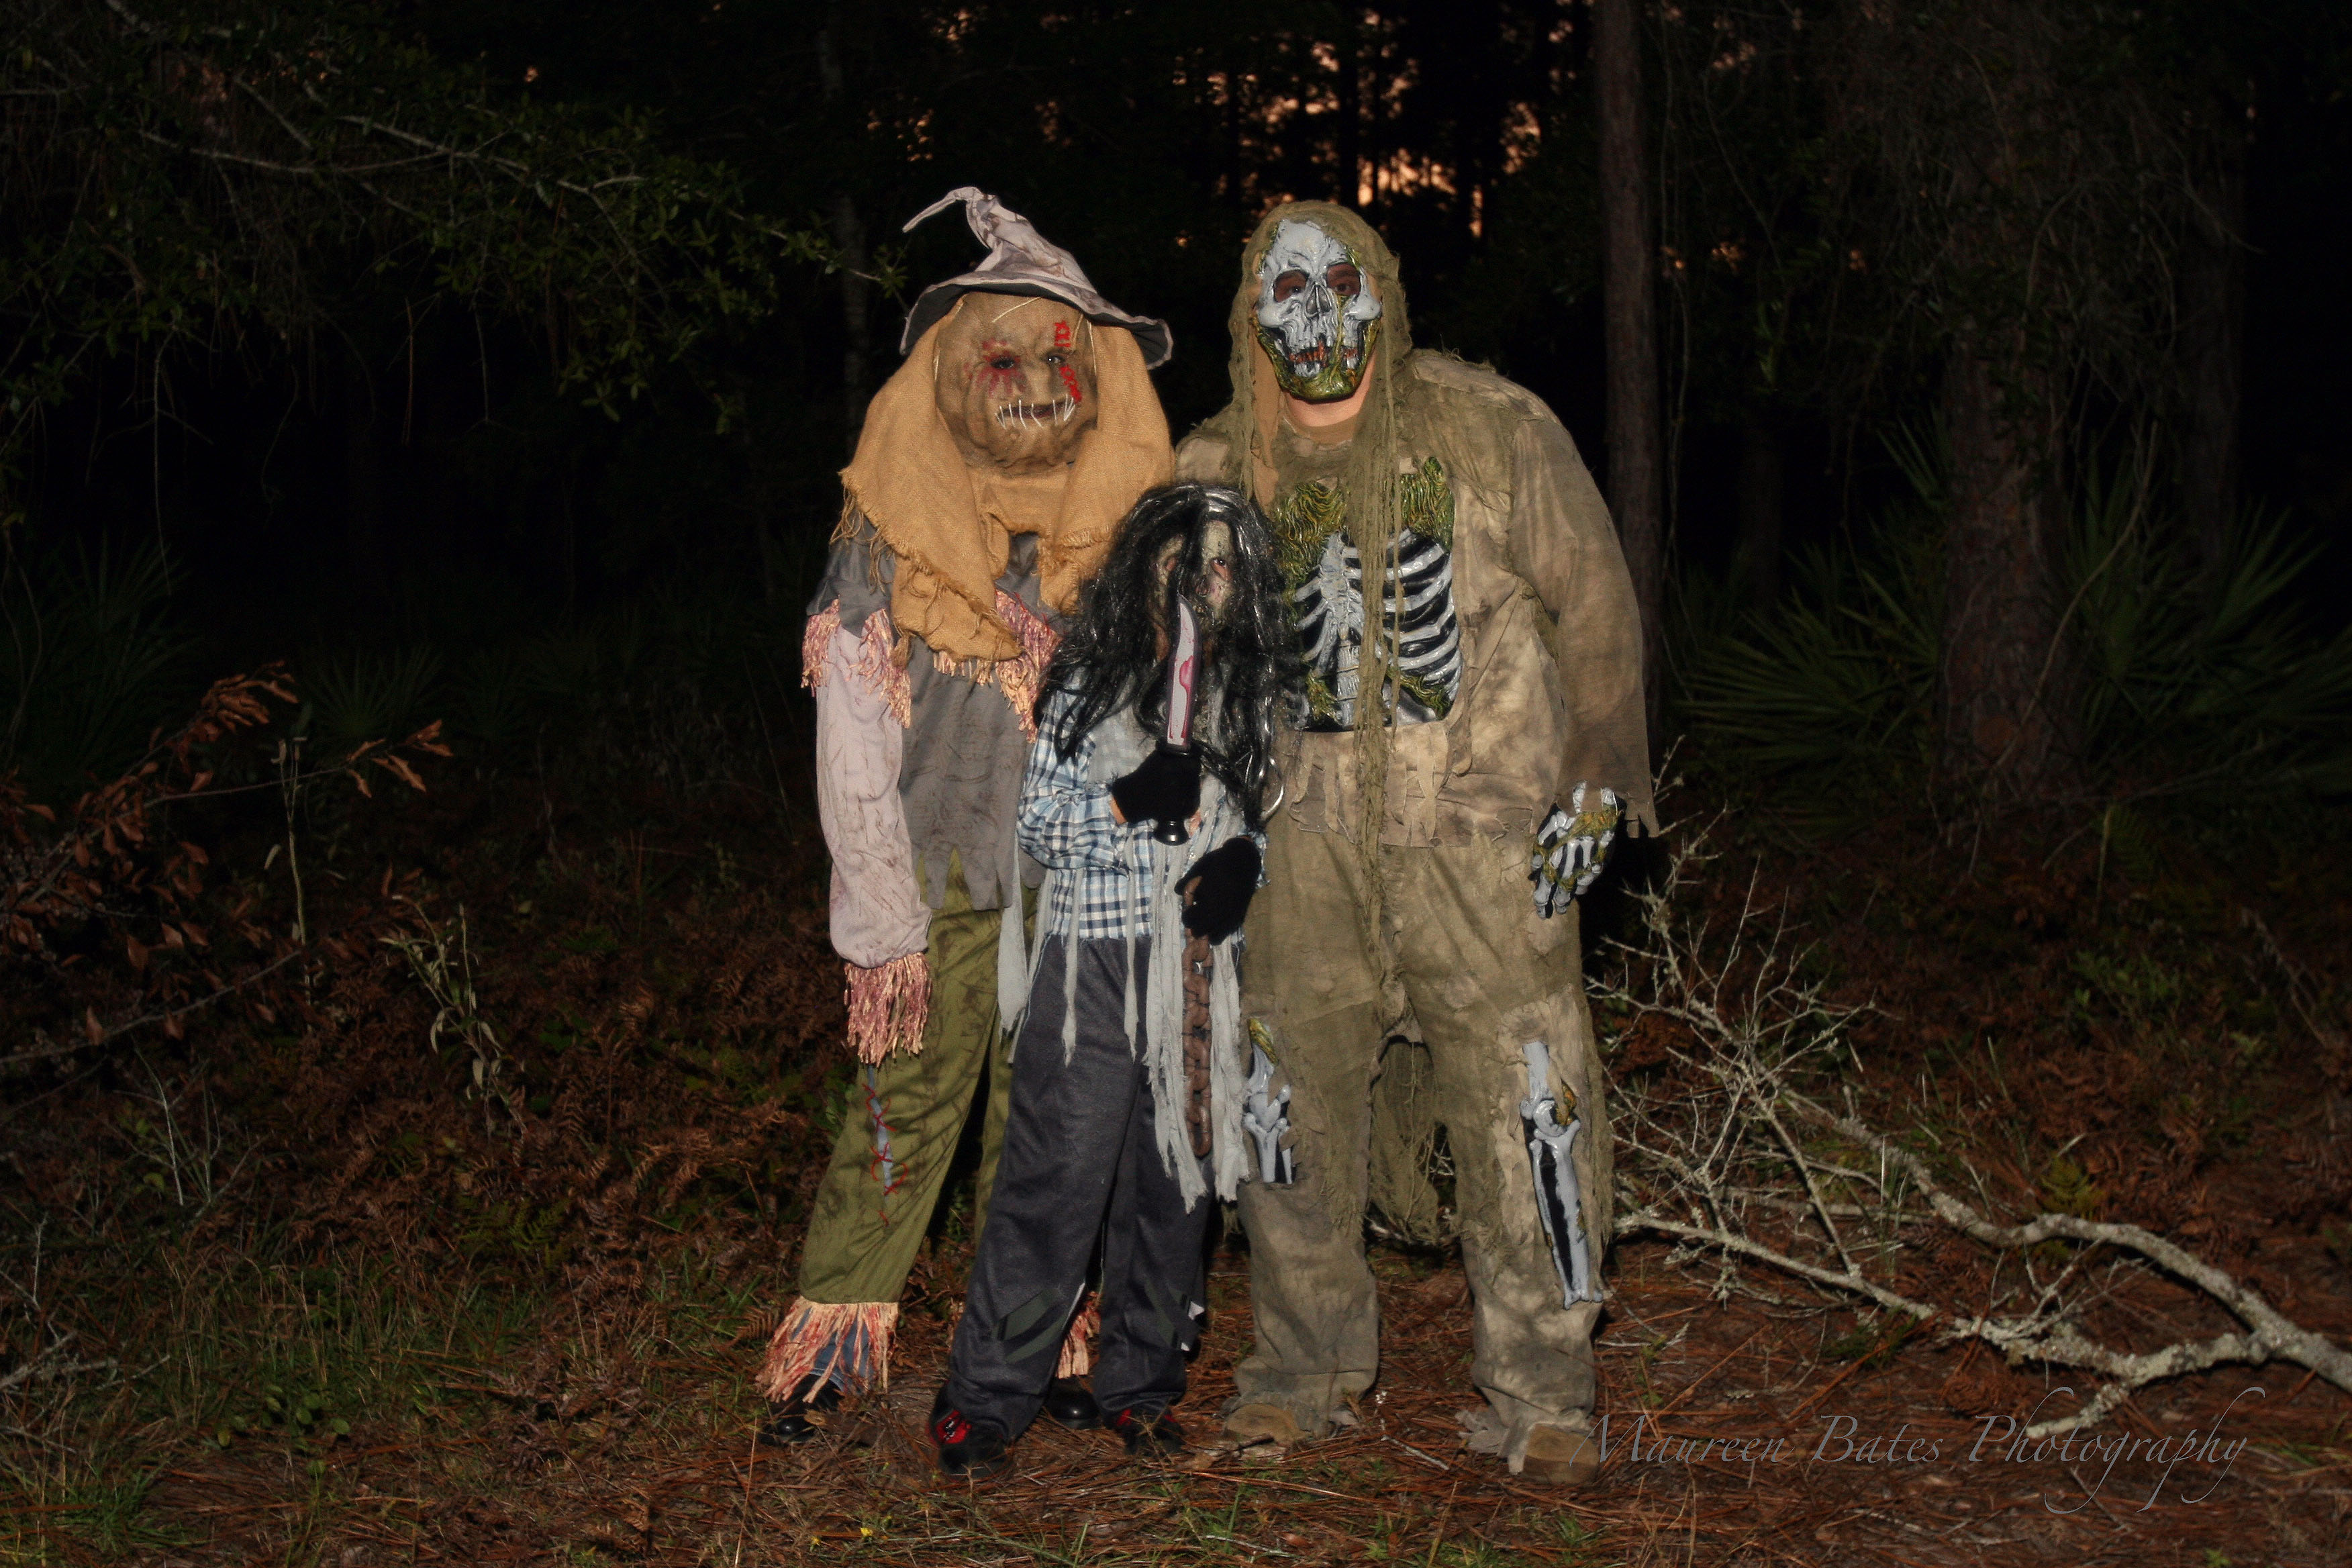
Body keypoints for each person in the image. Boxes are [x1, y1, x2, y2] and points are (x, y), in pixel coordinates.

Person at [1173, 201, 1654, 1486]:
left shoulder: (1492, 427)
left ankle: (1547, 1393)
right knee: (1285, 1115)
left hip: (1482, 835)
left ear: (1381, 293)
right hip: (1295, 849)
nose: (1317, 316)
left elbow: (1596, 603)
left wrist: (1598, 778)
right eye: (1286, 291)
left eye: (1341, 283)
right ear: (1251, 313)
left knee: (1533, 1103)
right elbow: (1171, 672)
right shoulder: (1213, 466)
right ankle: (1302, 1374)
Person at [758, 189, 1174, 1441]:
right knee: (905, 1105)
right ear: (948, 370)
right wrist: (879, 909)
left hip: (1075, 883)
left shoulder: (1133, 535)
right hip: (938, 870)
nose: (1036, 382)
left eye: (1060, 356)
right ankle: (832, 1348)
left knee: (1054, 1127)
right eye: (1003, 358)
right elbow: (852, 727)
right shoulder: (892, 529)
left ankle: (1034, 1348)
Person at [928, 483, 1301, 1478]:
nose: (1198, 584)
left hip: (1193, 972)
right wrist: (1129, 802)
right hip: (1092, 965)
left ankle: (1139, 1387)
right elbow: (1039, 825)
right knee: (1057, 1181)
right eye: (1181, 563)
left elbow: (1265, 819)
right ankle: (985, 1395)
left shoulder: (1246, 695)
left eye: (1220, 568)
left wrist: (1246, 862)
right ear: (1144, 566)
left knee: (1173, 1190)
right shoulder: (1088, 681)